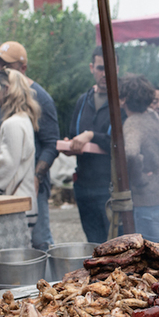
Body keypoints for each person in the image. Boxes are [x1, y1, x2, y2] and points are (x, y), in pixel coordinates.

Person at [0, 41, 61, 251]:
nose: (0, 69)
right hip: (4, 186)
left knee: (39, 243)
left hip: (30, 185)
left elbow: (51, 143)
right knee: (11, 245)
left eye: (6, 65)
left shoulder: (40, 97)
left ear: (23, 68)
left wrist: (36, 177)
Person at [66, 45, 119, 244]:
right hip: (83, 184)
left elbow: (118, 143)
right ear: (91, 68)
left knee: (113, 242)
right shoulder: (83, 100)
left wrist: (90, 135)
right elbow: (73, 134)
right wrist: (70, 145)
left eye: (109, 68)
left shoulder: (121, 101)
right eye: (100, 68)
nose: (105, 74)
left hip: (108, 185)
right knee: (92, 243)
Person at [0, 69, 40, 227]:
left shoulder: (12, 124)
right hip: (24, 204)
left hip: (17, 207)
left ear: (6, 90)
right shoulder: (23, 119)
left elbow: (8, 163)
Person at [120, 74, 159, 242]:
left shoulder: (132, 123)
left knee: (153, 258)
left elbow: (130, 152)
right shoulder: (152, 115)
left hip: (149, 202)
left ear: (124, 99)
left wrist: (139, 179)